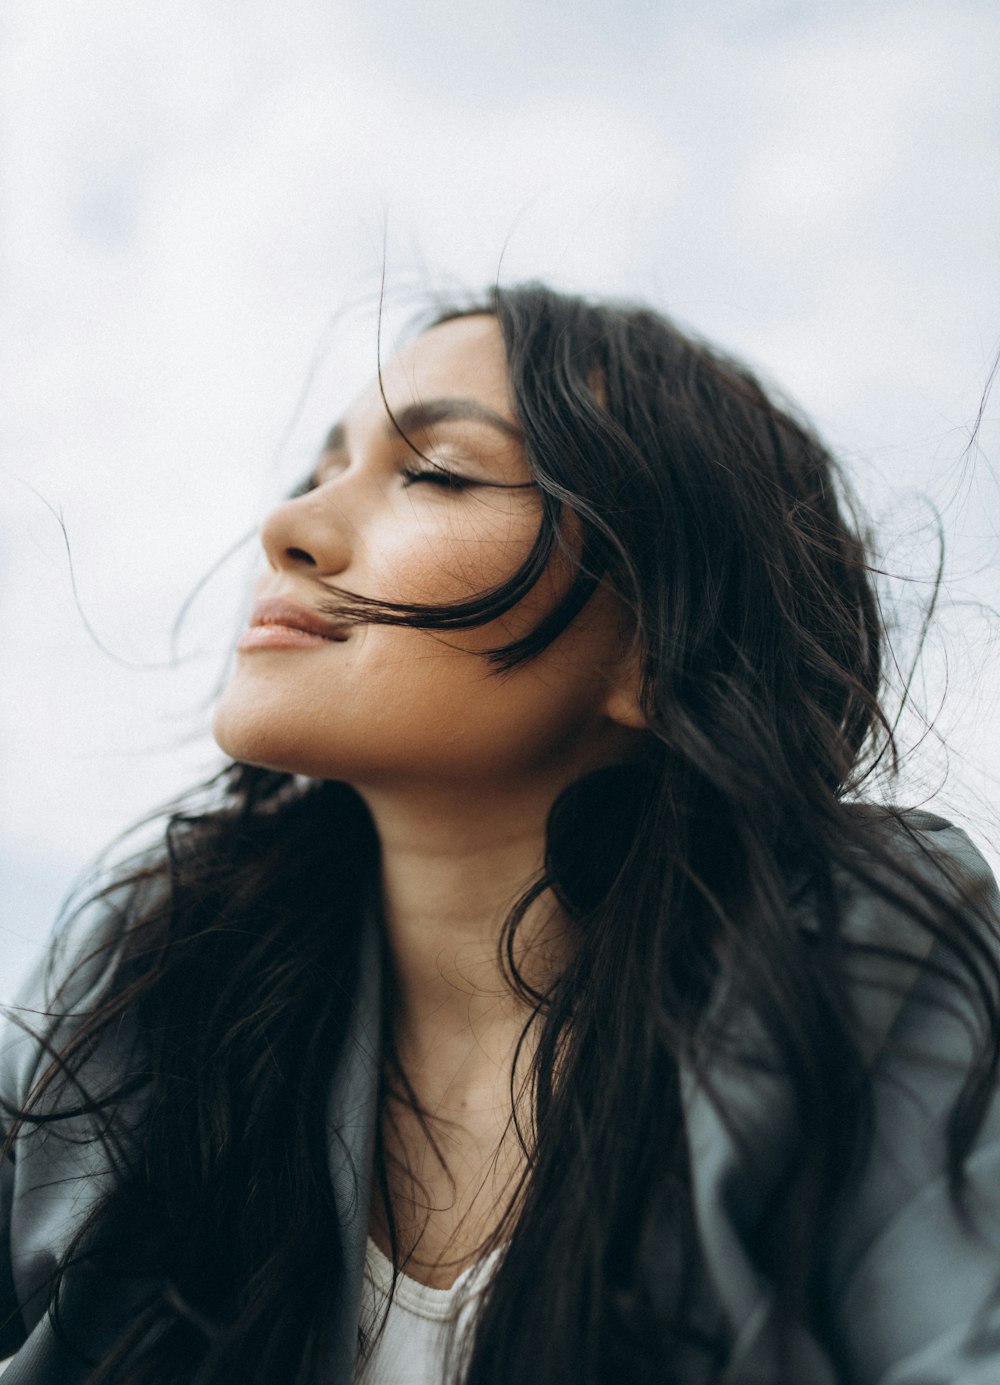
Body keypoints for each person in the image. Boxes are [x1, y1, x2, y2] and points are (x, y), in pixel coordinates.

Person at [1, 283, 999, 1385]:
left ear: (656, 646)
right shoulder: (152, 963)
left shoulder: (850, 943)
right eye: (319, 470)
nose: (290, 525)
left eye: (435, 472)